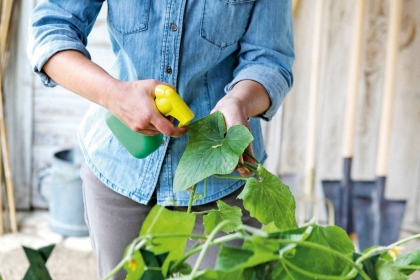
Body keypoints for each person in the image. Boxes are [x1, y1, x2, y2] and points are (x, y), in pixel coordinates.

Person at [28, 0, 294, 279]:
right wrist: (113, 94)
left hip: (223, 179)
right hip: (119, 166)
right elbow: (51, 29)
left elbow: (270, 60)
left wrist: (238, 101)